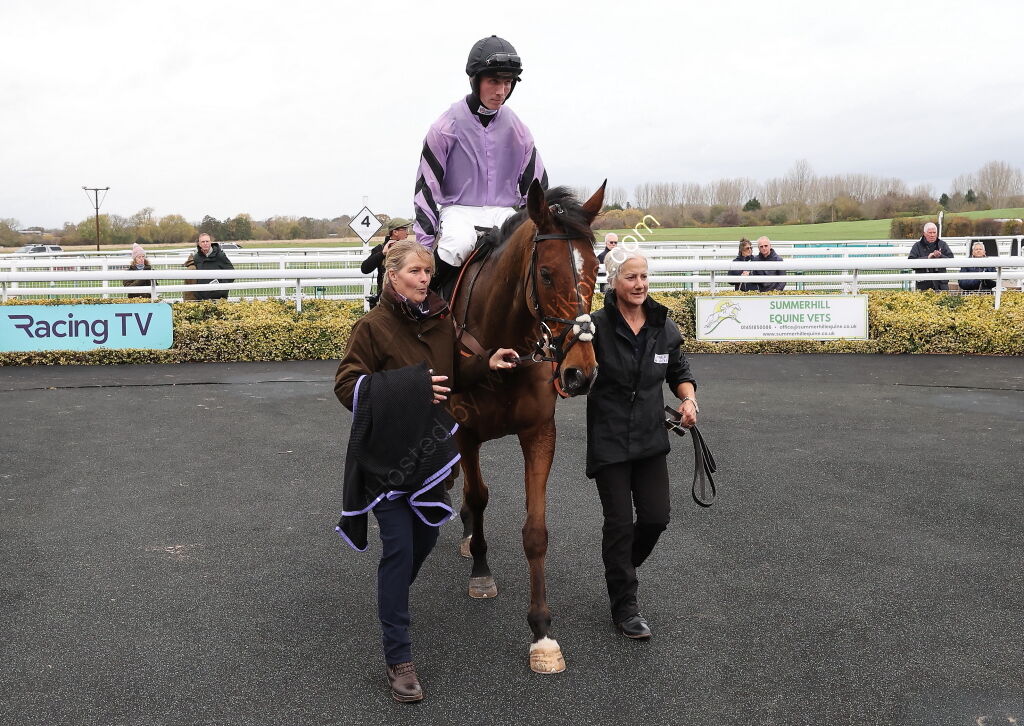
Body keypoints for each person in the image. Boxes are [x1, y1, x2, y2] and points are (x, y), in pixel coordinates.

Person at [334, 239, 518, 703]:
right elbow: (346, 386)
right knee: (398, 549)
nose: (424, 278)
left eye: (427, 271)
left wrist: (485, 364)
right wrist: (409, 386)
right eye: (415, 270)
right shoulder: (371, 327)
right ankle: (399, 657)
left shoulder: (440, 321)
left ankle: (389, 599)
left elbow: (452, 373)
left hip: (429, 461)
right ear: (392, 275)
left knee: (427, 539)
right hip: (386, 461)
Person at [586, 248, 697, 640]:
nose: (640, 285)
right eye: (631, 277)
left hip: (651, 438)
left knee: (656, 518)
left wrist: (688, 398)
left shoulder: (662, 324)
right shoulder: (594, 326)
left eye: (644, 277)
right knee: (618, 523)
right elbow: (573, 376)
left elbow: (679, 370)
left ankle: (621, 569)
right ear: (614, 281)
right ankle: (625, 605)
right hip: (610, 439)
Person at [413, 35, 547, 293]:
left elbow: (537, 186)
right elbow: (426, 190)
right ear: (475, 80)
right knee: (457, 245)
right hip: (459, 210)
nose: (501, 91)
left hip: (504, 211)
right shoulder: (444, 127)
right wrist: (424, 248)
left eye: (507, 83)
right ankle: (430, 301)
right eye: (494, 81)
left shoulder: (519, 130)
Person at [360, 218, 411, 309]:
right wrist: (382, 254)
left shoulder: (409, 249)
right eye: (405, 229)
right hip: (386, 299)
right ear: (395, 232)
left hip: (407, 297)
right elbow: (365, 269)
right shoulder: (380, 249)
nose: (408, 233)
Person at [907, 222, 954, 291]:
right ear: (924, 233)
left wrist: (940, 256)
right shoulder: (917, 246)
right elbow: (911, 263)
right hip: (923, 286)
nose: (932, 235)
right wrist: (927, 258)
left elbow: (952, 261)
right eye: (930, 233)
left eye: (934, 232)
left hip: (941, 285)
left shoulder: (943, 244)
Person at [191, 233, 235, 300]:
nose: (205, 243)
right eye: (203, 242)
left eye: (207, 241)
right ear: (199, 244)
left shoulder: (220, 256)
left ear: (210, 242)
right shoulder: (196, 258)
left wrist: (221, 288)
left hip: (219, 297)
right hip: (201, 297)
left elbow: (232, 273)